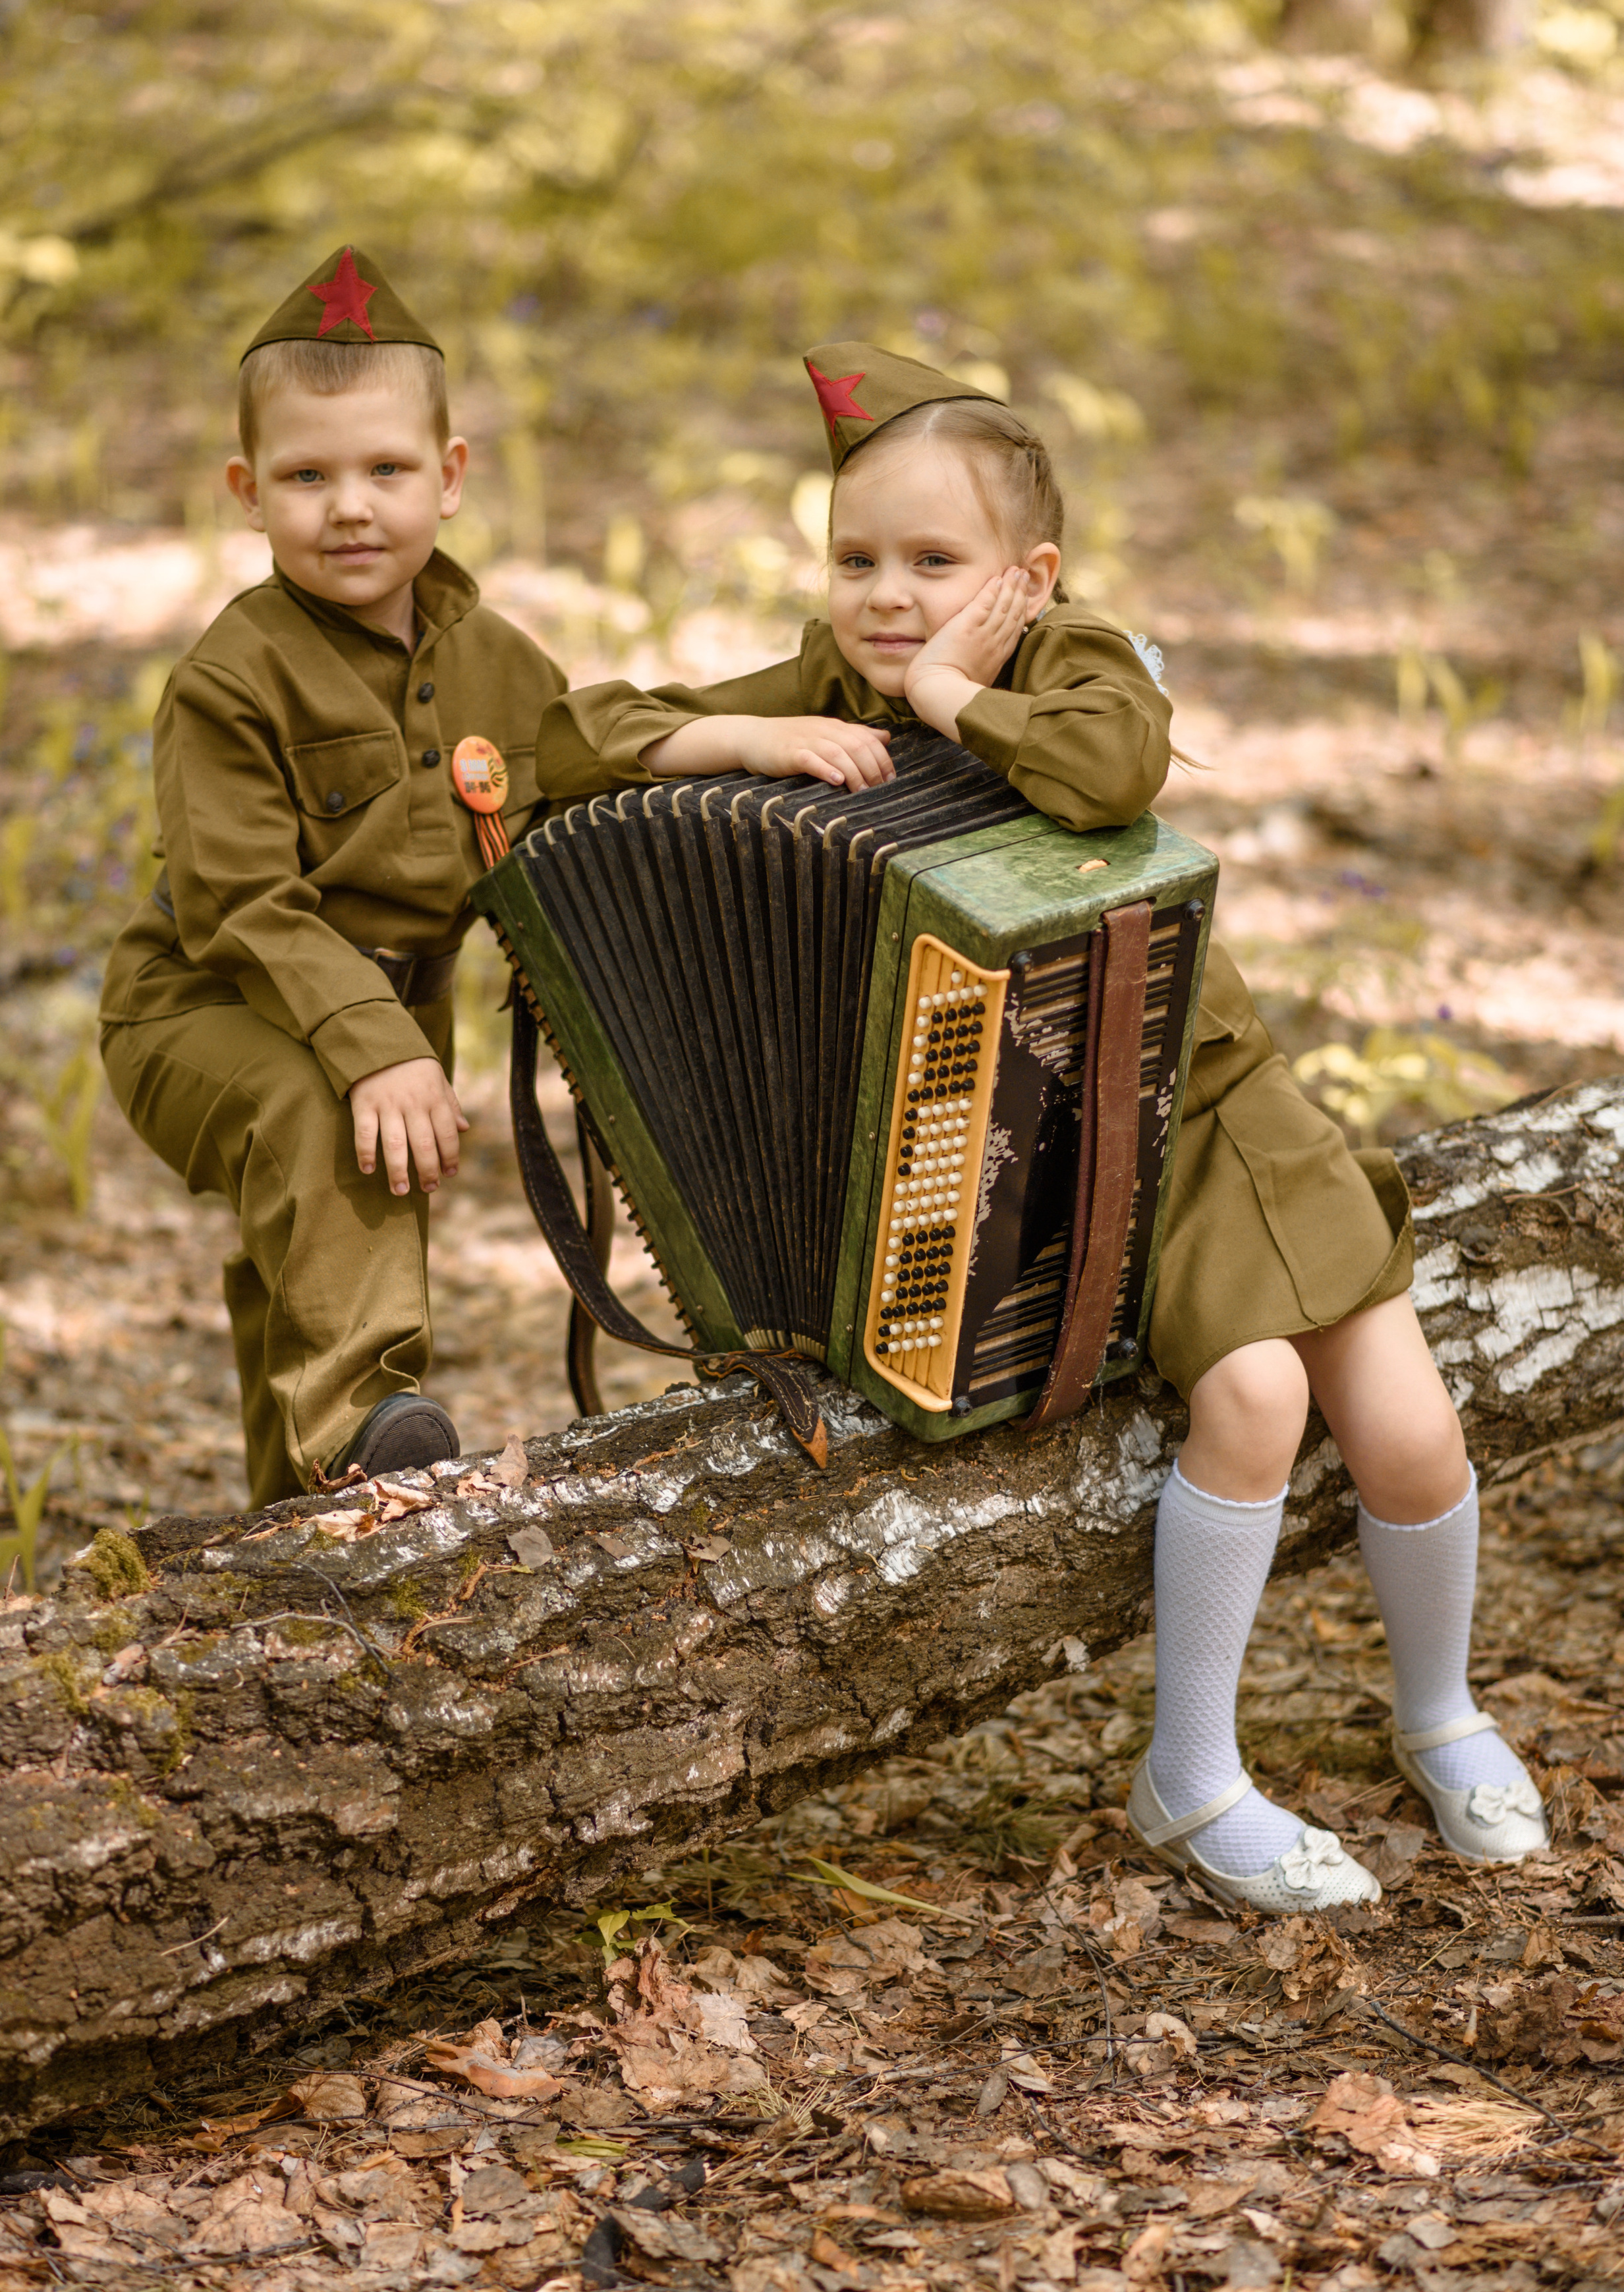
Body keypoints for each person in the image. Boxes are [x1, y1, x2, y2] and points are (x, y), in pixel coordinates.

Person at [536, 340, 1548, 1915]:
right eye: (853, 560)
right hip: (1040, 1156)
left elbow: (1104, 772)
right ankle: (1191, 1773)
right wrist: (735, 741)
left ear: (1029, 573)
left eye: (932, 564)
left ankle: (1439, 1708)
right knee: (1257, 1395)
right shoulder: (828, 673)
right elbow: (569, 734)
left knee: (1407, 1430)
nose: (884, 597)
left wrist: (949, 691)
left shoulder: (1079, 658)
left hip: (1203, 1106)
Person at [101, 247, 565, 1509]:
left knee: (319, 1244)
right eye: (308, 476)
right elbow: (238, 900)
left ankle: (293, 1523)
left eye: (385, 471)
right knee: (319, 1119)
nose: (350, 506)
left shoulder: (497, 660)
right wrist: (374, 1040)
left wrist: (764, 726)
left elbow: (603, 747)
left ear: (450, 478)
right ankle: (366, 1435)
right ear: (249, 493)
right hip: (198, 1006)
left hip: (390, 1015)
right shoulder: (231, 676)